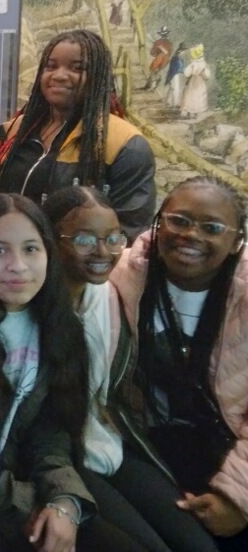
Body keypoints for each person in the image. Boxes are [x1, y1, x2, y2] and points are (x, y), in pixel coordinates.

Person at [0, 193, 150, 551]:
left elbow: (49, 429)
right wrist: (31, 501)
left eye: (31, 249)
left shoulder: (55, 324)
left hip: (18, 485)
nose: (18, 266)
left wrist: (64, 499)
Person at [44, 186, 217, 552]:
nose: (103, 252)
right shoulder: (32, 303)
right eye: (85, 239)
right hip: (60, 454)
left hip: (107, 437)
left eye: (113, 238)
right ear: (49, 237)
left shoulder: (107, 295)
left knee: (199, 546)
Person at [110, 176, 248, 551]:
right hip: (145, 446)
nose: (190, 235)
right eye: (179, 220)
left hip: (231, 452)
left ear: (237, 240)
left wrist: (237, 498)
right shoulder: (122, 273)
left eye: (212, 227)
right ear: (159, 222)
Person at [0, 28, 156, 241]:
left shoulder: (125, 145)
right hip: (6, 262)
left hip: (74, 270)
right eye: (51, 66)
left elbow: (128, 229)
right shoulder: (11, 133)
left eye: (77, 68)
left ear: (98, 77)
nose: (58, 75)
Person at [180, 44, 211, 119]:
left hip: (193, 80)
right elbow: (207, 75)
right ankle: (196, 112)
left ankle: (191, 112)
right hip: (200, 81)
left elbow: (186, 73)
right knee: (199, 96)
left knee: (190, 95)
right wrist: (202, 73)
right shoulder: (203, 64)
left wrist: (191, 73)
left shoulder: (193, 64)